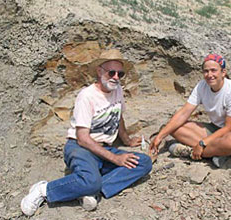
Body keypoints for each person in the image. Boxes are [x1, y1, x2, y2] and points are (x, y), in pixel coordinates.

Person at [21, 49, 152, 216]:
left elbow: (118, 116)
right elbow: (82, 138)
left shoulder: (117, 90)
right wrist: (115, 158)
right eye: (111, 72)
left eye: (120, 74)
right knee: (92, 180)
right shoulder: (87, 96)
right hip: (81, 147)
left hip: (104, 148)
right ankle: (44, 189)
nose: (116, 77)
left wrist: (126, 140)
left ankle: (90, 190)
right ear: (99, 71)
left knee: (144, 162)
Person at [149, 54, 231, 168]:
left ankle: (192, 153)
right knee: (174, 128)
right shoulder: (201, 86)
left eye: (214, 70)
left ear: (223, 72)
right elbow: (184, 113)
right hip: (215, 129)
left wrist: (202, 143)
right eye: (206, 71)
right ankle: (217, 153)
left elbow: (229, 127)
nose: (209, 75)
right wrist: (159, 137)